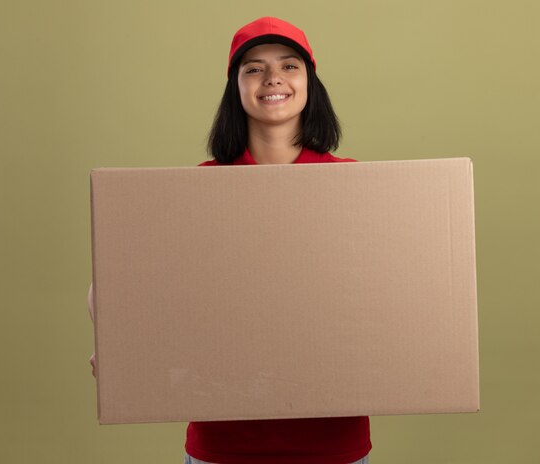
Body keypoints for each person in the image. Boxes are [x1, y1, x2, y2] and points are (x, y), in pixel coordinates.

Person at [88, 16, 371, 464]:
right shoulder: (200, 191)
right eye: (253, 68)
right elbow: (119, 283)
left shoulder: (355, 185)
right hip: (224, 445)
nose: (272, 78)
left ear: (310, 83)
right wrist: (118, 342)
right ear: (236, 88)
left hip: (332, 443)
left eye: (289, 65)